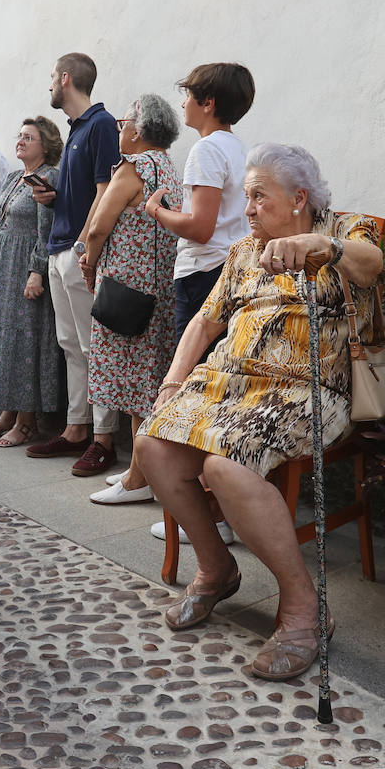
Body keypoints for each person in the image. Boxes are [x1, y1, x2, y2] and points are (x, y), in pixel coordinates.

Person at [137, 143, 383, 681]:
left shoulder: (346, 229)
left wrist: (323, 246)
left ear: (298, 198)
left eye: (257, 197)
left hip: (306, 389)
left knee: (225, 465)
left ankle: (304, 608)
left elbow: (370, 266)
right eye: (246, 197)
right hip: (227, 384)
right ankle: (216, 568)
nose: (247, 208)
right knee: (151, 444)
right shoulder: (245, 251)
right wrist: (173, 382)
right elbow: (204, 322)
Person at [93, 62, 255, 511]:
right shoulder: (237, 148)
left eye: (188, 95)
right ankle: (205, 503)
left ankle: (208, 511)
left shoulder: (206, 150)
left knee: (196, 392)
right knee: (213, 389)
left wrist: (157, 212)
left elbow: (200, 227)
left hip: (204, 274)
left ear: (208, 103)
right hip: (225, 271)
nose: (183, 103)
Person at [24, 53, 121, 475]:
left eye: (52, 76)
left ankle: (104, 440)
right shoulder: (76, 128)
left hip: (80, 252)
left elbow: (105, 191)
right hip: (60, 248)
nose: (49, 84)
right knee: (70, 343)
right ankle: (76, 428)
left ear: (65, 78)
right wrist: (52, 197)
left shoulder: (101, 124)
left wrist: (85, 246)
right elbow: (81, 193)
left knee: (93, 344)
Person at [78, 94, 181, 477]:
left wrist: (89, 265)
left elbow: (98, 228)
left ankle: (139, 478)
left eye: (123, 124)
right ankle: (142, 470)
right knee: (151, 383)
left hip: (125, 293)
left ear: (137, 131)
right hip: (161, 292)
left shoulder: (133, 167)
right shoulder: (168, 167)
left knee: (137, 390)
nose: (120, 130)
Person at [0, 116, 64, 448]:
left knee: (26, 340)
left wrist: (36, 271)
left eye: (29, 137)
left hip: (24, 268)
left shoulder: (47, 177)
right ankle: (8, 413)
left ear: (46, 145)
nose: (21, 141)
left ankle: (27, 422)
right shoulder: (15, 177)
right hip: (4, 270)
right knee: (4, 336)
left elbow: (47, 230)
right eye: (21, 135)